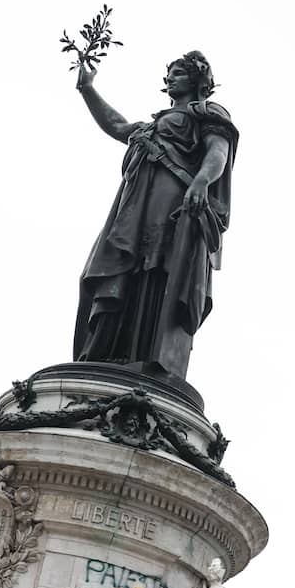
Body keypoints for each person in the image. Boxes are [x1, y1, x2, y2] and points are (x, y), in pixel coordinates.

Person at [72, 51, 238, 379]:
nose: (170, 78)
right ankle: (107, 350)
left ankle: (145, 352)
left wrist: (202, 181)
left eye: (178, 73)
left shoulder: (207, 113)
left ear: (197, 80)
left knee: (157, 266)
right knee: (121, 268)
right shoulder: (151, 127)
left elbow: (219, 151)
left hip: (171, 203)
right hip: (133, 209)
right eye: (170, 73)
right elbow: (118, 125)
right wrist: (88, 89)